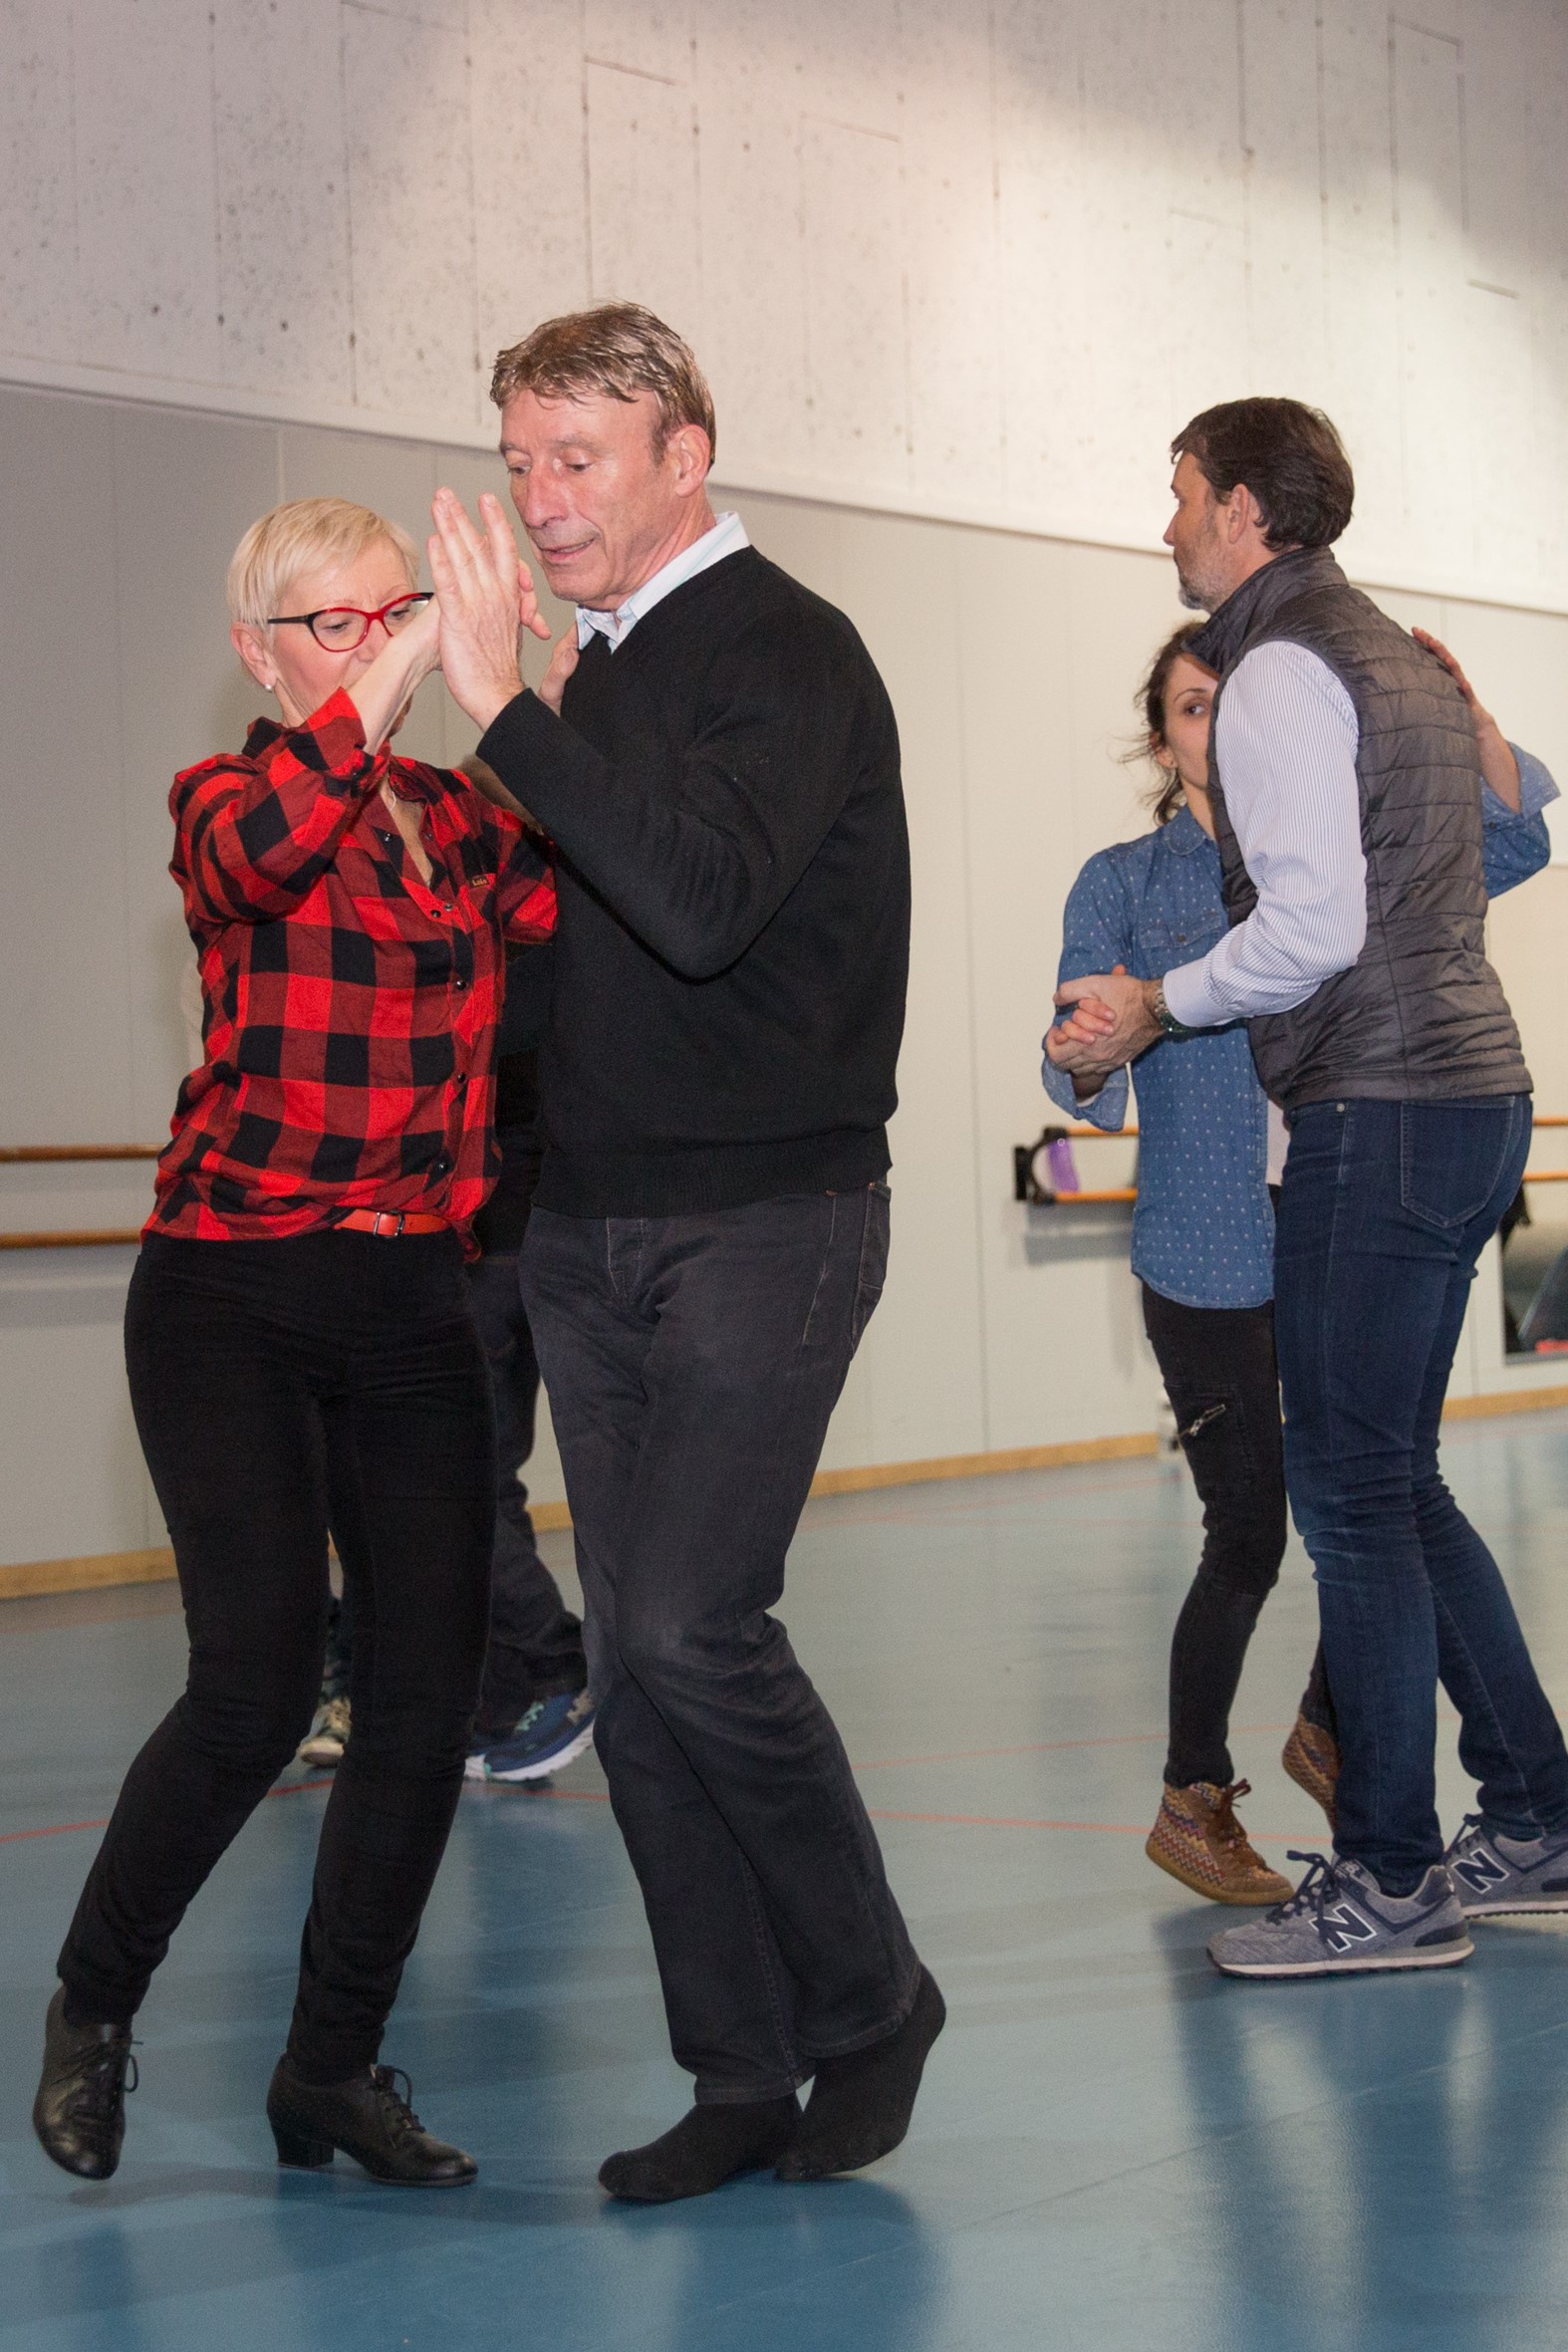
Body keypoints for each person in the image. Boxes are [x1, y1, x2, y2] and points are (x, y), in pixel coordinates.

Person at [427, 301, 942, 2203]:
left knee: (680, 1626)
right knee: (638, 1689)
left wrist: (504, 715)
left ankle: (868, 2000)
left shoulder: (783, 651)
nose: (540, 501)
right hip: (588, 1226)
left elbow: (703, 905)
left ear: (681, 456)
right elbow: (572, 954)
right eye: (517, 465)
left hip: (764, 1216)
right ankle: (736, 2070)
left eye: (576, 460)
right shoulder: (601, 670)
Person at [33, 496, 557, 2185]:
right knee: (254, 1684)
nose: (369, 644)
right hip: (229, 1291)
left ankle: (329, 2066)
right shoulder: (230, 801)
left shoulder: (456, 825)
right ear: (262, 654)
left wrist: (536, 699)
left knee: (426, 1694)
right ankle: (93, 2003)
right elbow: (256, 858)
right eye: (327, 624)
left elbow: (582, 898)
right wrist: (405, 660)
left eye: (385, 611)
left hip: (411, 1293)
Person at [1055, 398, 1568, 1979]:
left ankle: (1392, 1871)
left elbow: (1310, 932)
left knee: (1346, 1492)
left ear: (1241, 513)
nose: (1166, 526)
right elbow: (1514, 805)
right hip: (1469, 1094)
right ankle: (1538, 1809)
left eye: (1178, 496)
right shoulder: (1387, 650)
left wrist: (1157, 1001)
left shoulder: (1280, 665)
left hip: (1380, 1102)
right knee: (1391, 1477)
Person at [298, 937, 599, 1786]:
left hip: (484, 1241)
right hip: (536, 1234)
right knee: (478, 1474)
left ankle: (547, 1667)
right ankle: (504, 1697)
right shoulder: (553, 937)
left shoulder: (471, 940)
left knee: (452, 1480)